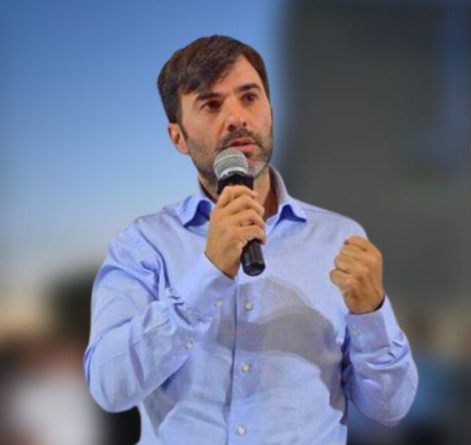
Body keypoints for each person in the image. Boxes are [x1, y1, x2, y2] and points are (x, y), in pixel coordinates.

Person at [83, 35, 418, 445]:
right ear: (178, 137)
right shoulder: (143, 245)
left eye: (249, 97)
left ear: (271, 112)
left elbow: (390, 408)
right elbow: (110, 387)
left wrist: (371, 314)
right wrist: (209, 273)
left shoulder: (340, 240)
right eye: (211, 105)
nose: (237, 118)